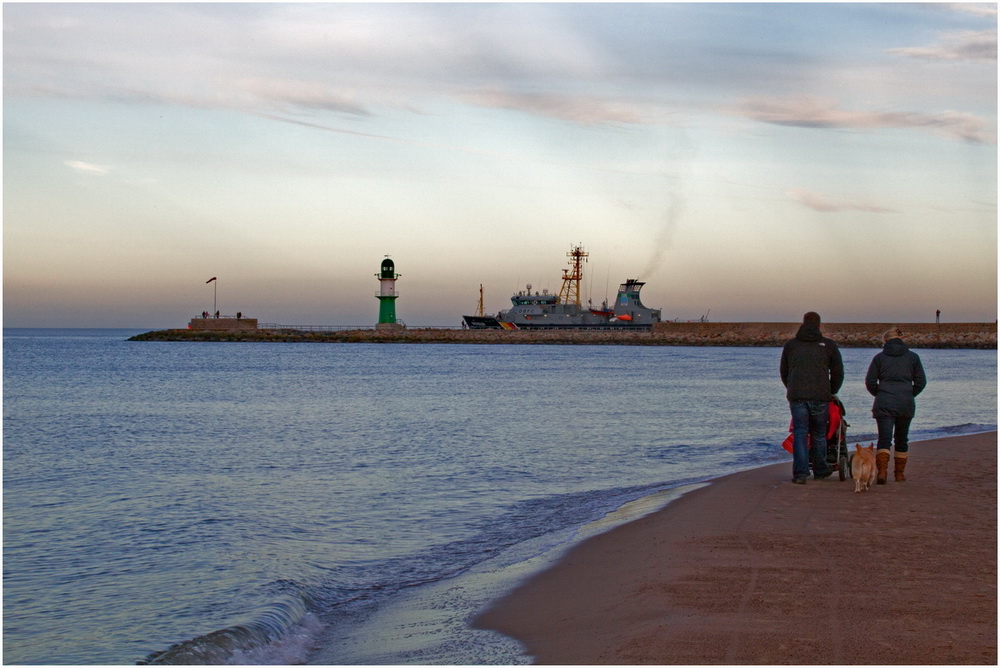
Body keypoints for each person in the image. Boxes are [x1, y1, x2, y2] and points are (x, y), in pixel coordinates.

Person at [780, 312, 844, 484]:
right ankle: (820, 469)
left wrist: (792, 388)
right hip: (820, 395)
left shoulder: (791, 345)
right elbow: (838, 372)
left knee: (800, 433)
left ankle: (800, 474)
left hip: (798, 395)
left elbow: (784, 372)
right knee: (819, 434)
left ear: (803, 323)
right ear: (819, 325)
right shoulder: (828, 345)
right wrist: (831, 391)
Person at [865, 327, 927, 484]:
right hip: (905, 401)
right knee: (901, 438)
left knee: (884, 438)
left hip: (884, 400)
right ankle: (899, 474)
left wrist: (880, 393)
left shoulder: (879, 358)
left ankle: (883, 472)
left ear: (885, 341)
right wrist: (909, 393)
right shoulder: (913, 357)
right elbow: (921, 382)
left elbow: (870, 382)